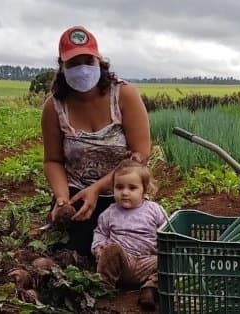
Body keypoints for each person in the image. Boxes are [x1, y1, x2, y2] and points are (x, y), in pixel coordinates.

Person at [41, 25, 151, 256]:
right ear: (62, 67)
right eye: (73, 63)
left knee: (134, 244)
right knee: (73, 252)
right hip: (77, 194)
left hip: (122, 190)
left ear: (99, 61)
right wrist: (62, 200)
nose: (82, 69)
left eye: (87, 61)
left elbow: (141, 154)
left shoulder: (124, 95)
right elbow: (52, 160)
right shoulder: (54, 107)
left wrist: (98, 188)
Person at [92, 159, 166, 311]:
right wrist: (99, 248)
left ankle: (150, 288)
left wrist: (163, 249)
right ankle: (104, 291)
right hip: (122, 265)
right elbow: (100, 233)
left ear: (144, 191)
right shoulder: (109, 214)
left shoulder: (154, 210)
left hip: (148, 263)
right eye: (119, 187)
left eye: (132, 188)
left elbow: (167, 231)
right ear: (113, 189)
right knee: (111, 250)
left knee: (168, 259)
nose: (125, 192)